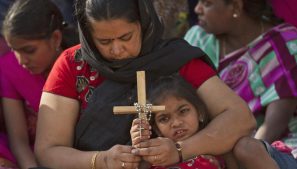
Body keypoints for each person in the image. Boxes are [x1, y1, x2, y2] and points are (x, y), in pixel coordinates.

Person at [34, 0, 255, 168]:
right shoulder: (73, 65)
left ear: (143, 23)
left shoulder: (174, 59)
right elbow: (47, 150)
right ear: (88, 35)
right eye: (104, 42)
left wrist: (179, 150)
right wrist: (100, 160)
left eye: (126, 37)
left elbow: (240, 118)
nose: (117, 50)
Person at [184, 0, 297, 153]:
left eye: (207, 3)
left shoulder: (282, 44)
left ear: (236, 7)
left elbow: (272, 128)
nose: (197, 9)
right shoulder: (197, 39)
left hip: (269, 146)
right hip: (204, 143)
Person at [131, 75, 297, 169]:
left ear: (200, 113)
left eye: (183, 111)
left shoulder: (218, 144)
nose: (176, 123)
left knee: (247, 146)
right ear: (157, 130)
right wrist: (141, 141)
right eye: (164, 118)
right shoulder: (158, 158)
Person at [0, 0, 79, 168]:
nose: (22, 61)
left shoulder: (79, 64)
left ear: (56, 38)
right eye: (15, 50)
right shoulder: (9, 68)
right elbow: (18, 141)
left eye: (29, 50)